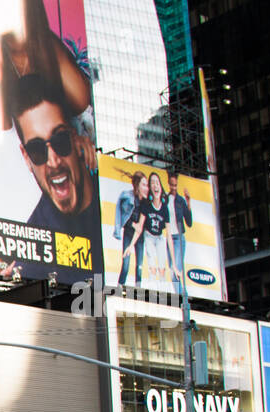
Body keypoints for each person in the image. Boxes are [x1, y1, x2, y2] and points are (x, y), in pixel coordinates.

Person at [11, 74, 100, 272]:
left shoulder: (113, 197)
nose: (53, 161)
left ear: (76, 139)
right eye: (37, 150)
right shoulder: (31, 257)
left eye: (60, 140)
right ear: (26, 157)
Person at [122, 171, 178, 288]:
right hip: (149, 236)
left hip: (159, 238)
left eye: (157, 182)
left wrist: (175, 266)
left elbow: (168, 236)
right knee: (152, 268)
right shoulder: (146, 205)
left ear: (160, 187)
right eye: (152, 183)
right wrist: (131, 245)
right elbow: (139, 228)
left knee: (162, 270)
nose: (155, 185)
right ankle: (153, 295)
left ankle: (163, 295)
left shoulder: (164, 209)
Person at [114, 171, 148, 287]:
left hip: (140, 235)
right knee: (126, 264)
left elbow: (141, 226)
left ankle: (138, 290)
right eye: (143, 185)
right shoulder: (127, 196)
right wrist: (118, 230)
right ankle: (120, 286)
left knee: (139, 266)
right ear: (137, 185)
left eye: (147, 185)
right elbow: (122, 214)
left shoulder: (146, 201)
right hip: (128, 232)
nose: (146, 188)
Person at [167, 171, 193, 294]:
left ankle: (182, 301)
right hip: (168, 239)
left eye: (175, 185)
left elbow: (189, 222)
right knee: (172, 273)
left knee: (175, 273)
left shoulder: (180, 201)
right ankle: (183, 300)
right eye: (172, 185)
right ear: (168, 184)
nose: (173, 188)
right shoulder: (164, 199)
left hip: (178, 239)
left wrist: (188, 203)